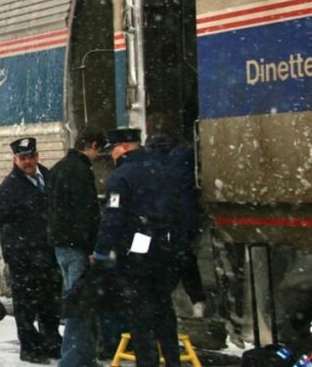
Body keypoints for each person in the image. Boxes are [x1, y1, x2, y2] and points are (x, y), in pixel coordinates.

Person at [92, 128, 181, 367]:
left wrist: (101, 252)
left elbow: (113, 218)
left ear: (123, 147)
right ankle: (173, 360)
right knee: (164, 311)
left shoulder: (121, 176)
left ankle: (147, 362)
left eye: (113, 149)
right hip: (164, 248)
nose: (111, 155)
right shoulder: (164, 170)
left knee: (140, 317)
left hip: (135, 254)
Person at [0, 137, 61, 364]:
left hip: (48, 254)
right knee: (26, 305)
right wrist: (16, 227)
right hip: (23, 257)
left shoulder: (48, 177)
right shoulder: (9, 188)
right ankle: (30, 347)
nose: (28, 161)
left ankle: (52, 342)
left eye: (31, 156)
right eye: (23, 158)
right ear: (15, 160)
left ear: (37, 156)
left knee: (50, 302)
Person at [46, 129, 105, 367]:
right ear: (92, 145)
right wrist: (92, 247)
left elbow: (51, 209)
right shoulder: (81, 171)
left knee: (75, 299)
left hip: (61, 246)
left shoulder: (58, 168)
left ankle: (83, 356)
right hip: (77, 247)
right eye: (99, 150)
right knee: (79, 304)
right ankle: (72, 359)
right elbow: (86, 213)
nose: (98, 156)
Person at [145, 127, 207, 318]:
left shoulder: (148, 164)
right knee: (184, 258)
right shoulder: (185, 158)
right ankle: (197, 300)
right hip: (183, 218)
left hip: (158, 222)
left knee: (161, 262)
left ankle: (161, 303)